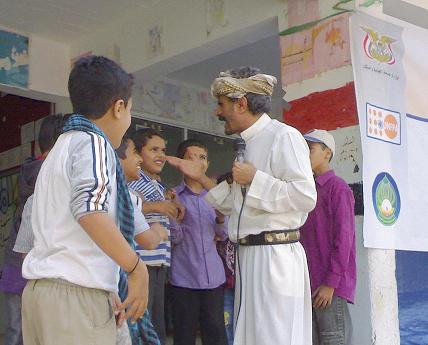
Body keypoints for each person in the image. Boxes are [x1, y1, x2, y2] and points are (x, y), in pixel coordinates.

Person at [167, 66, 317, 345]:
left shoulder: (283, 136)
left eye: (221, 105)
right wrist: (200, 177)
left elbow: (305, 196)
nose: (217, 112)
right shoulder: (246, 145)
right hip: (250, 258)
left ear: (242, 103)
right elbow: (238, 205)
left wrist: (255, 179)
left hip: (275, 258)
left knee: (276, 338)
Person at [21, 55, 149, 345]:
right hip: (74, 297)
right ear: (118, 107)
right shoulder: (95, 142)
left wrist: (104, 286)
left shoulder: (61, 147)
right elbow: (89, 211)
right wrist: (136, 268)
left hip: (43, 293)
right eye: (130, 110)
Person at [0, 114, 66, 345]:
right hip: (30, 265)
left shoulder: (32, 168)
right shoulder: (48, 174)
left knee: (17, 332)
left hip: (19, 265)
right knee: (24, 334)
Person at [169, 139, 228, 345]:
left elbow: (225, 233)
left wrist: (221, 217)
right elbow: (173, 238)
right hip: (184, 277)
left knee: (216, 334)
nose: (196, 161)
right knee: (184, 336)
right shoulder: (172, 196)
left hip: (214, 278)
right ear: (179, 162)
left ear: (207, 164)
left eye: (201, 157)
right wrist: (175, 217)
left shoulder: (216, 195)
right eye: (190, 157)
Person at [300, 129, 356, 345]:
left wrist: (330, 284)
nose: (305, 155)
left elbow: (344, 240)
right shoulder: (306, 189)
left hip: (329, 286)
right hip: (309, 284)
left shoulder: (338, 188)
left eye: (310, 149)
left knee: (334, 340)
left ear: (327, 153)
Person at [129, 128, 182, 344]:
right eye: (153, 150)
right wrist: (157, 206)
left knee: (155, 323)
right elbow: (127, 207)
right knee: (141, 320)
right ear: (138, 154)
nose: (160, 155)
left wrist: (169, 202)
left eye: (163, 150)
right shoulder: (134, 178)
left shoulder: (156, 183)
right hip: (142, 261)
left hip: (159, 261)